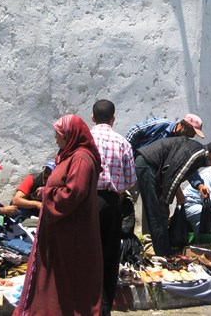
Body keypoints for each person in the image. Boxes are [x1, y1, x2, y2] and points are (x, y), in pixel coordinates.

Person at [14, 114, 103, 315]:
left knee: (70, 277)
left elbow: (73, 193)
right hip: (63, 230)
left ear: (70, 135)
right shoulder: (71, 156)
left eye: (59, 134)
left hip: (72, 232)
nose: (56, 139)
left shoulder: (81, 159)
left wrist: (46, 193)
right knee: (59, 277)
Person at [135, 137, 211, 257]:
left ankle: (162, 251)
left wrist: (199, 185)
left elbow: (189, 170)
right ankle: (162, 253)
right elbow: (174, 175)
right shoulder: (196, 154)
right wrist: (167, 200)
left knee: (159, 212)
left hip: (150, 165)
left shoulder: (196, 152)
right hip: (147, 164)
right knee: (156, 212)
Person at [90, 100, 137, 315]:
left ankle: (85, 305)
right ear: (113, 118)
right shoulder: (122, 142)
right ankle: (104, 308)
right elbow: (129, 181)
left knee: (87, 253)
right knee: (109, 256)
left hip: (87, 203)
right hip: (111, 203)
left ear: (92, 117)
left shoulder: (85, 141)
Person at [125, 113, 205, 235]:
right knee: (131, 205)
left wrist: (199, 184)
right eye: (192, 131)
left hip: (156, 177)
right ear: (183, 125)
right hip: (136, 168)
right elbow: (134, 131)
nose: (193, 135)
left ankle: (149, 241)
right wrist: (126, 160)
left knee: (153, 210)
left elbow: (187, 165)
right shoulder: (160, 125)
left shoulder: (183, 143)